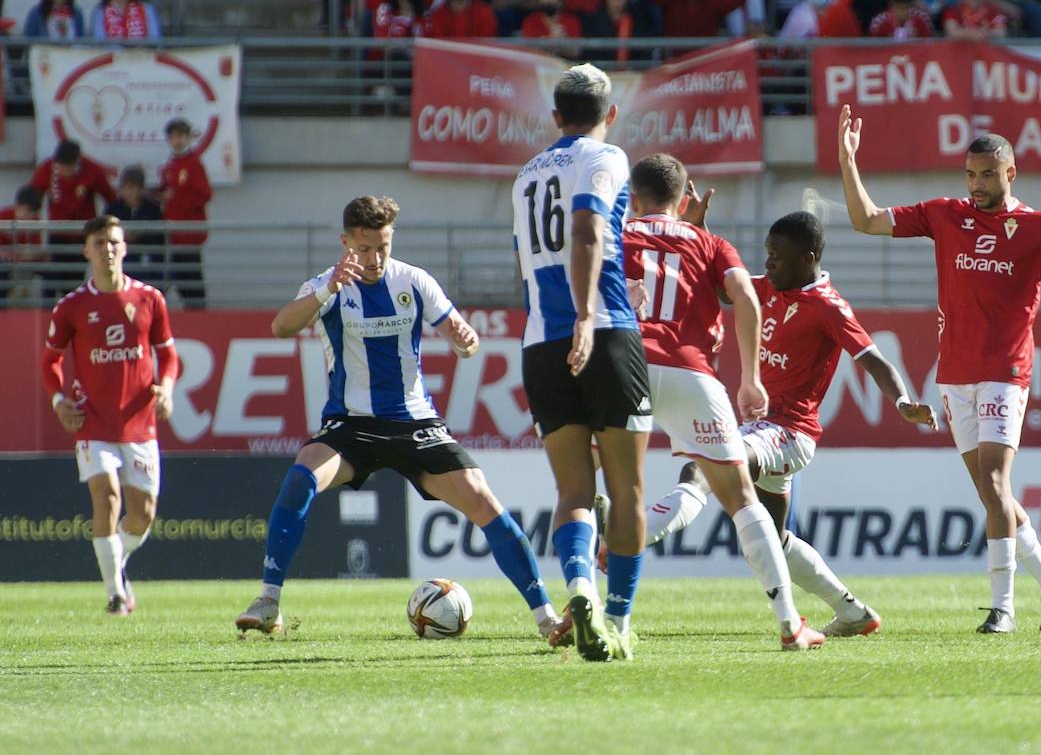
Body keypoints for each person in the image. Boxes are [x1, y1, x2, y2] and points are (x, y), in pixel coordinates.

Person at [837, 104, 1041, 633]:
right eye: (970, 175)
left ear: (1010, 173)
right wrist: (848, 160)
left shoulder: (1039, 227)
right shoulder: (943, 214)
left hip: (1006, 372)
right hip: (954, 374)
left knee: (998, 485)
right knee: (990, 494)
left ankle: (1003, 607)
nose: (977, 185)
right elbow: (866, 219)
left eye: (986, 175)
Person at [235, 196, 566, 644]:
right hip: (350, 426)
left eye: (383, 247)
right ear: (346, 242)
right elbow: (280, 327)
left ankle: (547, 619)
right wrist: (326, 289)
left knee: (484, 502)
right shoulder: (327, 286)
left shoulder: (414, 281)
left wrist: (465, 342)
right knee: (300, 479)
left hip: (415, 424)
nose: (374, 259)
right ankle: (269, 602)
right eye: (365, 248)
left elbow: (462, 338)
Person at [635, 205, 938, 637]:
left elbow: (874, 361)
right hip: (765, 431)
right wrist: (701, 229)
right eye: (767, 252)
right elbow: (726, 290)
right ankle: (854, 613)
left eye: (778, 255)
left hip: (789, 432)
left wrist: (903, 400)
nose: (768, 262)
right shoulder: (768, 287)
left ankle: (632, 537)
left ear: (808, 257)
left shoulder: (828, 307)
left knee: (701, 467)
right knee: (773, 540)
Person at [614, 154, 826, 650]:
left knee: (621, 494)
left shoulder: (616, 234)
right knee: (742, 500)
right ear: (685, 199)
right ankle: (790, 625)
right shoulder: (711, 243)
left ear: (634, 196)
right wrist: (750, 379)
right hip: (692, 373)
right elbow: (745, 298)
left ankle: (610, 616)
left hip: (627, 367)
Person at [512, 64, 652, 662]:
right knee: (628, 493)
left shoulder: (525, 175)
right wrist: (588, 314)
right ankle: (617, 618)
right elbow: (589, 231)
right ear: (610, 115)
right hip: (606, 330)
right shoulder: (608, 158)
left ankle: (578, 589)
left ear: (555, 117)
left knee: (572, 489)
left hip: (539, 343)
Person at [41, 215, 179, 615]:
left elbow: (168, 354)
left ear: (125, 247)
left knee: (144, 515)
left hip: (139, 422)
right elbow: (49, 361)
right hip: (92, 421)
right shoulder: (71, 307)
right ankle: (114, 595)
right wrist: (58, 401)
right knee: (107, 497)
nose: (108, 250)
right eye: (99, 243)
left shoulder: (150, 299)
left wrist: (166, 389)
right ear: (87, 251)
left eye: (114, 242)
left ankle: (116, 564)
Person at [30, 140, 117, 298]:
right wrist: (33, 232)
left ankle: (71, 315)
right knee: (51, 279)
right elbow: (31, 201)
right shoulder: (47, 169)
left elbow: (112, 200)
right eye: (60, 165)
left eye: (68, 167)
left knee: (73, 282)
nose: (63, 170)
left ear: (77, 162)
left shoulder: (92, 170)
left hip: (82, 236)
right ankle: (46, 317)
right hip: (56, 235)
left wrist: (104, 228)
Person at [158, 118, 212, 309]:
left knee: (190, 275)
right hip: (175, 233)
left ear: (188, 138)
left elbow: (204, 194)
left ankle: (197, 311)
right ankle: (192, 310)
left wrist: (176, 199)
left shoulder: (193, 164)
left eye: (181, 136)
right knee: (179, 275)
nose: (177, 140)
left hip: (188, 233)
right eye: (173, 136)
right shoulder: (171, 164)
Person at [107, 166, 165, 288]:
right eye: (125, 188)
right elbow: (105, 232)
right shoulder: (113, 208)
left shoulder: (152, 208)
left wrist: (141, 235)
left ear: (141, 189)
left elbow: (160, 237)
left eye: (132, 188)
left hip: (147, 256)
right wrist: (123, 236)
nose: (128, 192)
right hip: (122, 256)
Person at [0, 185, 45, 304]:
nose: (30, 216)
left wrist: (17, 255)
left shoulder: (35, 221)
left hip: (25, 263)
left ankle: (48, 310)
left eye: (34, 212)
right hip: (6, 265)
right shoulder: (3, 217)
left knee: (51, 270)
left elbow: (36, 251)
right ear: (17, 206)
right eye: (28, 210)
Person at [943, 0, 1008, 39]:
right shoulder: (953, 9)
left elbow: (1001, 32)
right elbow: (951, 32)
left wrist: (987, 33)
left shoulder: (995, 10)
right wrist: (974, 33)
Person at [867, 0, 934, 38]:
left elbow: (928, 47)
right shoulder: (879, 22)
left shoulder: (923, 19)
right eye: (898, 7)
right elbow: (874, 50)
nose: (902, 12)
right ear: (890, 5)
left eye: (906, 7)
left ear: (912, 5)